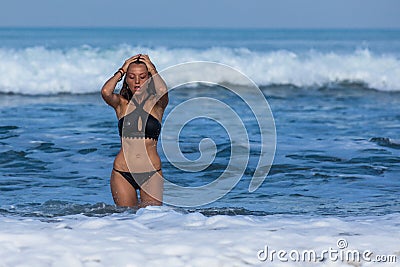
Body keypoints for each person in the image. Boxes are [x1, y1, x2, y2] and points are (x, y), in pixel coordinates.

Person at [101, 54, 168, 207]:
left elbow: (162, 89)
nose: (137, 81)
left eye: (142, 76)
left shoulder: (157, 104)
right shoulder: (121, 104)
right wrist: (122, 70)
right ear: (126, 80)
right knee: (125, 221)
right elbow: (106, 92)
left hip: (151, 173)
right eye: (131, 77)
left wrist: (152, 68)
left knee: (152, 220)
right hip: (122, 173)